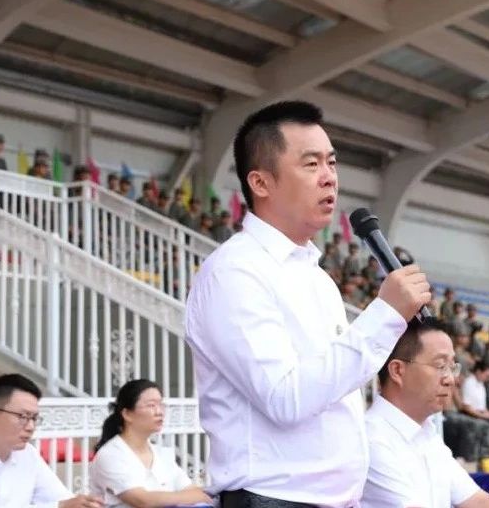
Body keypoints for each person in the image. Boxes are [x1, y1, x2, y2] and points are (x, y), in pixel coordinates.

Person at [184, 100, 431, 507]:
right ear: (261, 183)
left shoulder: (315, 277)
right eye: (311, 164)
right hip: (272, 499)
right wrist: (386, 314)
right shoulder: (234, 272)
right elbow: (285, 398)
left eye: (332, 163)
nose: (329, 177)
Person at [362, 320, 489, 508]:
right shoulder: (373, 440)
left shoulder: (427, 434)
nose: (451, 379)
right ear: (398, 371)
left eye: (452, 367)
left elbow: (477, 500)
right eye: (440, 366)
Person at [0, 373, 103, 507]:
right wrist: (58, 506)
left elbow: (62, 498)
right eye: (23, 417)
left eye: (34, 418)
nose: (31, 426)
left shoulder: (28, 454)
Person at [89, 379, 212, 507]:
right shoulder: (111, 455)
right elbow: (142, 501)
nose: (160, 412)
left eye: (161, 405)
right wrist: (186, 498)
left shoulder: (162, 454)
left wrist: (179, 498)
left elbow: (194, 491)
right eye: (151, 405)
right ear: (127, 414)